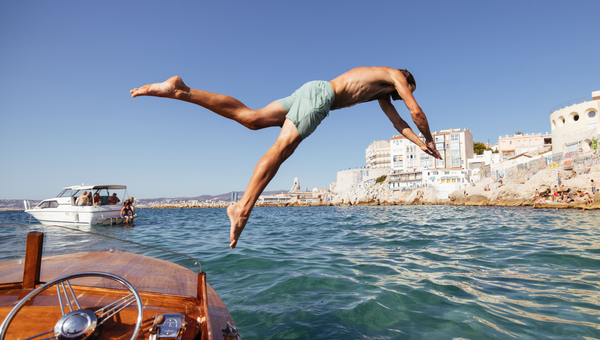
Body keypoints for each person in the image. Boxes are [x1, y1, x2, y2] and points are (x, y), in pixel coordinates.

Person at [132, 66, 442, 248]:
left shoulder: (381, 92)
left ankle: (182, 90)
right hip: (322, 97)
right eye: (406, 90)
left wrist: (420, 144)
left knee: (251, 119)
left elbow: (398, 122)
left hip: (312, 90)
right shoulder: (395, 77)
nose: (402, 96)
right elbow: (413, 111)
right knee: (281, 151)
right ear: (407, 80)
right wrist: (428, 136)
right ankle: (242, 209)